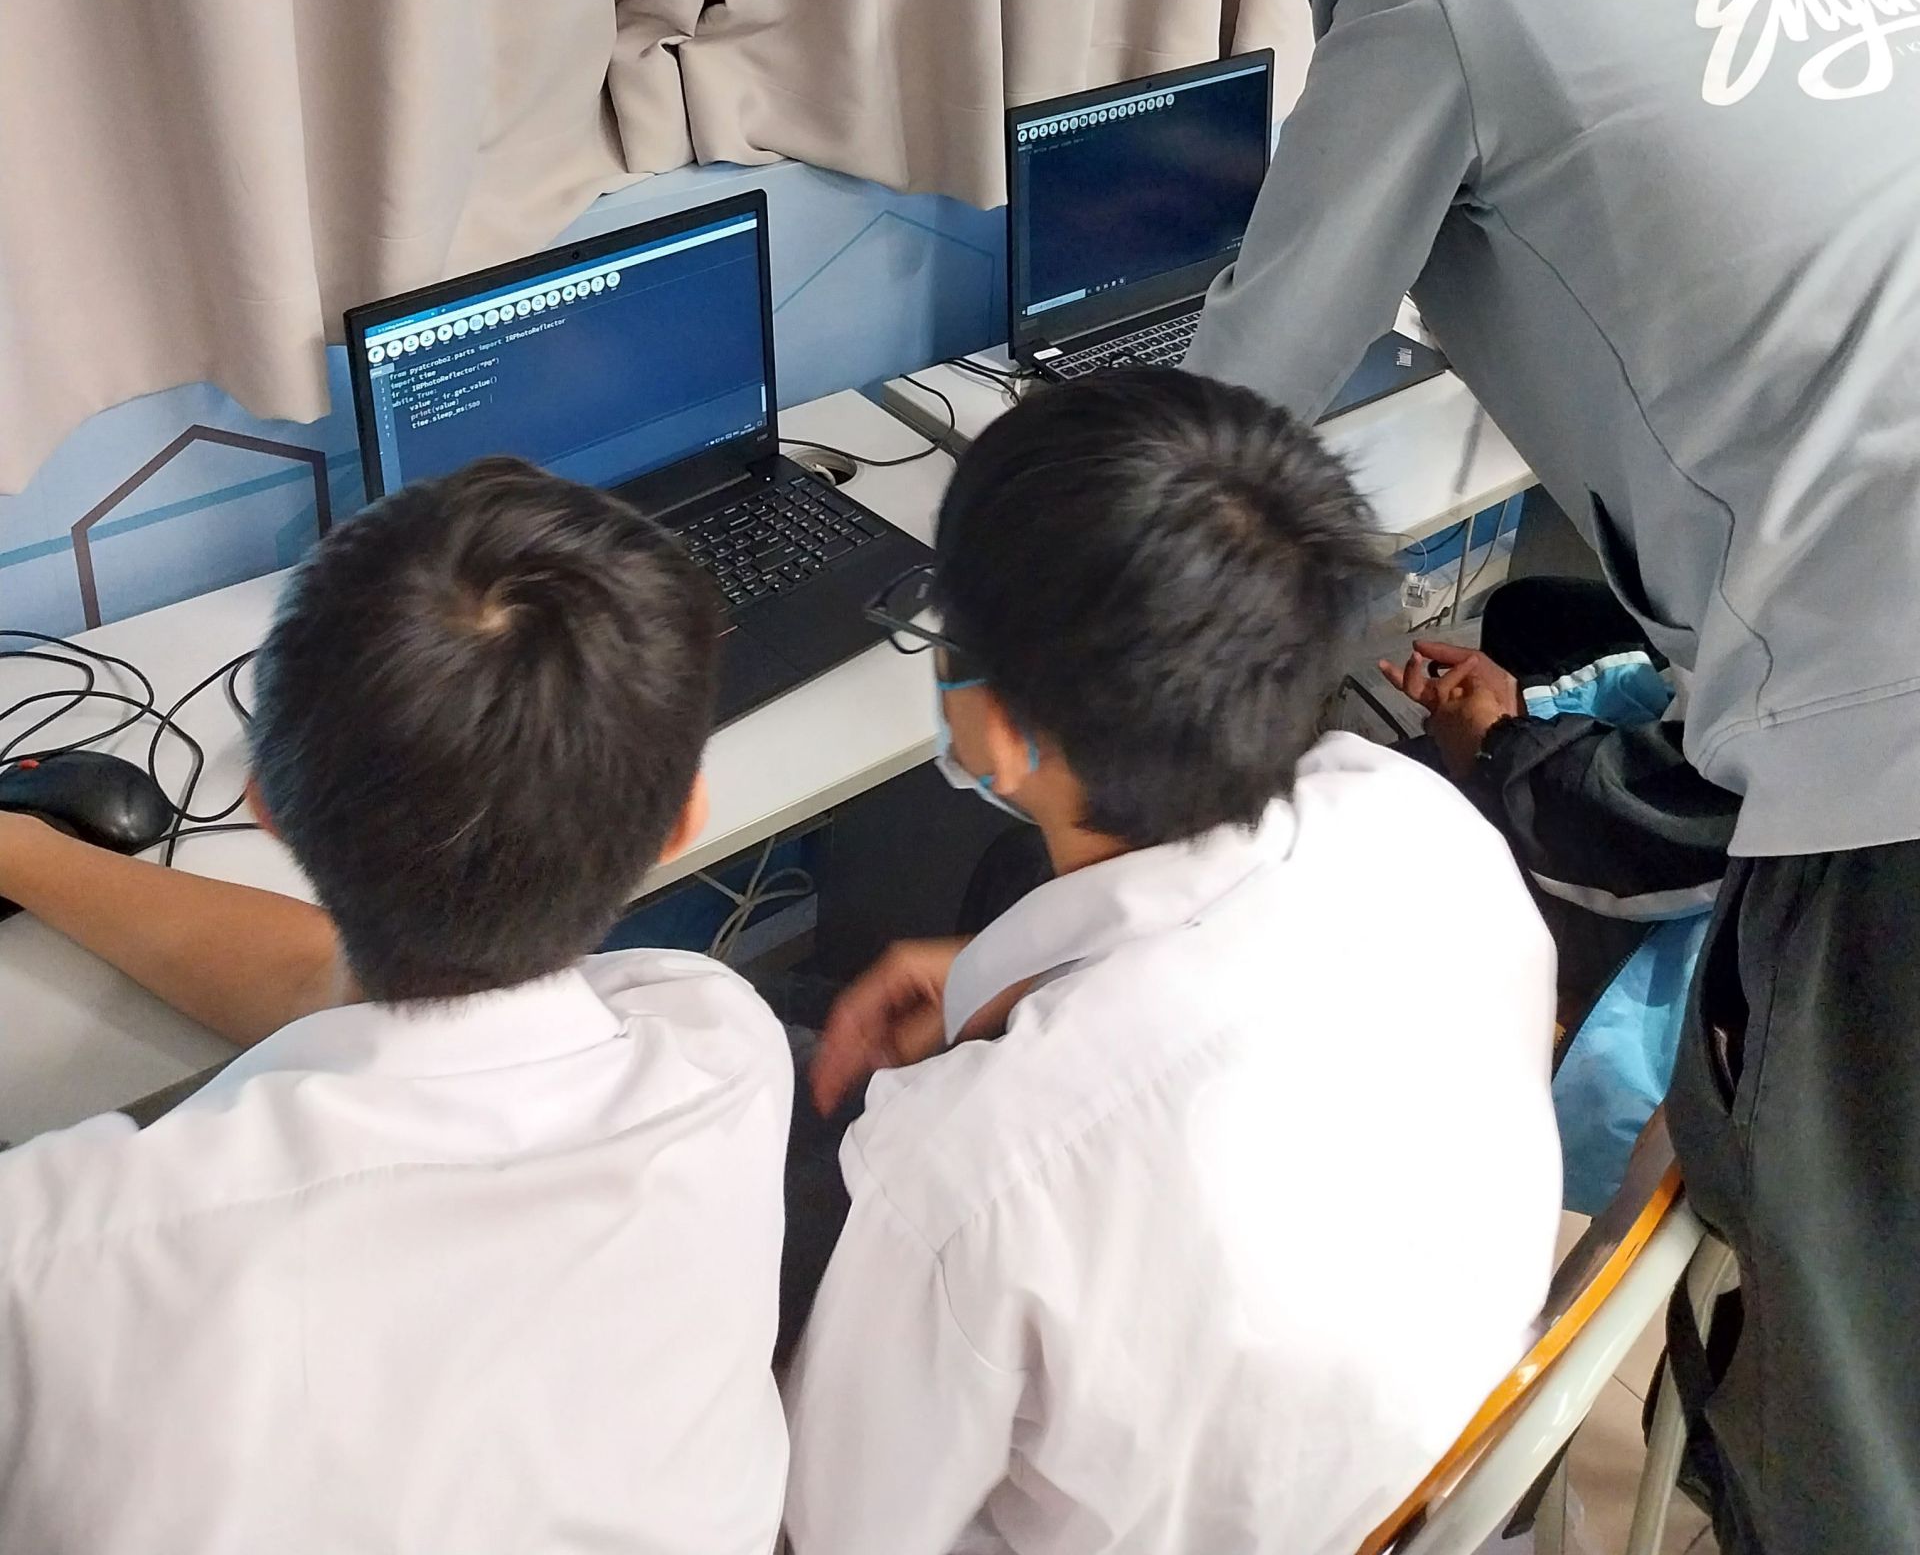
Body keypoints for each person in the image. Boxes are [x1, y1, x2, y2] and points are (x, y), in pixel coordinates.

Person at [1186, 0, 1920, 1555]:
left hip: (1890, 743)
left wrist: (1046, 609)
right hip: (1865, 638)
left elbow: (1237, 400)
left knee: (1843, 1359)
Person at [781, 370, 1561, 1555]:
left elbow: (841, 1531)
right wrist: (999, 975)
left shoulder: (970, 1172)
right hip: (1449, 1493)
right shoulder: (1426, 823)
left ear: (1002, 727)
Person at [0, 458, 791, 1555]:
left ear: (267, 808)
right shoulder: (722, 1044)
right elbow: (345, 990)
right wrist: (25, 849)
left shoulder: (52, 1258)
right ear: (680, 822)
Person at [1380, 579, 1734, 1213]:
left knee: (1399, 851)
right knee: (1526, 609)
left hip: (1683, 968)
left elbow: (1668, 837)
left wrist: (1498, 747)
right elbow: (1680, 692)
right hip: (1665, 850)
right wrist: (1525, 703)